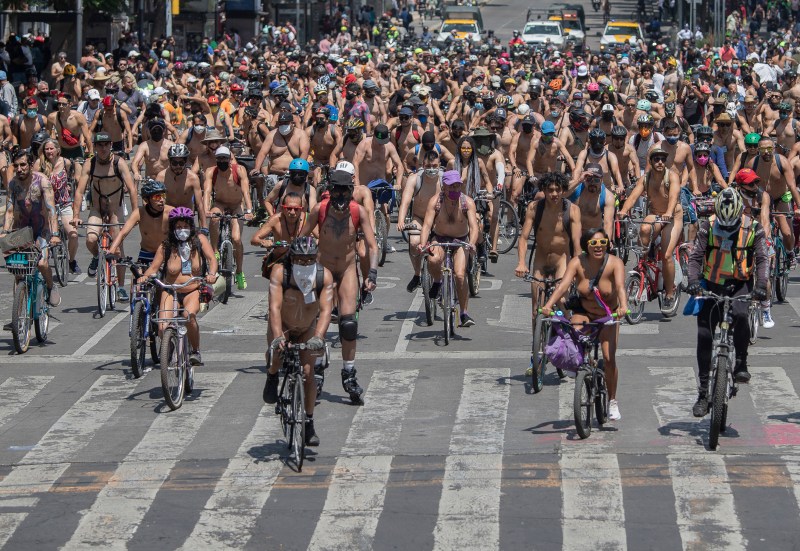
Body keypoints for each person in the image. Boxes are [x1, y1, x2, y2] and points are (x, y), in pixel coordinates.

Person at [686, 188, 769, 417]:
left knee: (742, 316)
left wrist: (761, 286)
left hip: (740, 284)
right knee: (704, 335)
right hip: (711, 284)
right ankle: (703, 393)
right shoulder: (707, 226)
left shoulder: (754, 228)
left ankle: (741, 361)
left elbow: (762, 259)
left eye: (731, 226)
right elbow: (695, 258)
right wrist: (693, 281)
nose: (726, 230)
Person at [299, 167, 379, 405]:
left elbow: (373, 246)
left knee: (348, 324)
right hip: (323, 269)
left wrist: (372, 273)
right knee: (317, 322)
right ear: (330, 191)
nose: (342, 196)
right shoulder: (319, 209)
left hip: (346, 270)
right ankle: (318, 364)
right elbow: (302, 239)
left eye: (345, 191)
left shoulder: (358, 211)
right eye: (337, 191)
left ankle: (349, 371)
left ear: (351, 191)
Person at [540, 227, 629, 420]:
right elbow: (563, 285)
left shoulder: (615, 263)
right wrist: (547, 305)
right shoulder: (577, 263)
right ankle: (583, 368)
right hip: (585, 313)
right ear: (586, 246)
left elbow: (621, 287)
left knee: (608, 357)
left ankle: (612, 401)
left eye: (602, 243)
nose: (598, 247)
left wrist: (623, 306)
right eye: (593, 244)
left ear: (607, 244)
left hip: (607, 317)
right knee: (572, 335)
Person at [263, 237, 334, 447]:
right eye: (300, 260)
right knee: (276, 354)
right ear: (292, 258)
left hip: (307, 327)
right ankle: (273, 375)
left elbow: (326, 310)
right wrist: (277, 337)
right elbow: (274, 308)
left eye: (309, 260)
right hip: (283, 324)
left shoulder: (324, 276)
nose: (304, 264)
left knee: (308, 372)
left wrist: (319, 337)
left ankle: (309, 421)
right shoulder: (280, 272)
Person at [137, 207, 218, 367]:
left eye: (185, 226)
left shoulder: (199, 240)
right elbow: (153, 268)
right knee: (162, 326)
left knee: (189, 316)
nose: (182, 230)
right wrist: (143, 278)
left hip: (192, 290)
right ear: (172, 228)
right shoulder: (166, 246)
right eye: (178, 227)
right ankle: (169, 343)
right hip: (169, 290)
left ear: (191, 226)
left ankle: (195, 351)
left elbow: (212, 259)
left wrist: (212, 274)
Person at [71, 132, 137, 300]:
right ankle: (96, 256)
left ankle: (121, 286)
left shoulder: (119, 163)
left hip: (115, 210)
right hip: (97, 209)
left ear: (110, 146)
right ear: (95, 146)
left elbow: (132, 188)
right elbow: (79, 191)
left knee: (118, 247)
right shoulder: (89, 164)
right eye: (99, 145)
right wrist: (76, 215)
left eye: (106, 144)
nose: (102, 148)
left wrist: (136, 213)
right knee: (91, 239)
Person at [618, 147, 683, 315]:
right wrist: (623, 211)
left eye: (662, 159)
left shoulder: (672, 176)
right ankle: (644, 268)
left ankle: (669, 292)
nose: (660, 162)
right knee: (644, 231)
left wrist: (669, 213)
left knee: (667, 255)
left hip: (672, 216)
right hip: (655, 215)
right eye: (656, 159)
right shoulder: (646, 178)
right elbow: (633, 196)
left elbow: (674, 196)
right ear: (651, 162)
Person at [417, 170, 480, 327]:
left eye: (457, 186)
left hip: (461, 241)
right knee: (433, 260)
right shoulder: (435, 201)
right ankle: (437, 281)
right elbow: (426, 225)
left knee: (459, 275)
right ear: (443, 187)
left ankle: (464, 314)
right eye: (451, 187)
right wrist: (423, 243)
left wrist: (472, 243)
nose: (455, 190)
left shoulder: (467, 202)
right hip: (440, 238)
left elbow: (474, 226)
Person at [0, 149, 61, 307]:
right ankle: (19, 313)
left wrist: (55, 234)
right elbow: (10, 211)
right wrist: (5, 232)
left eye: (23, 165)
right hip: (21, 232)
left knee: (42, 264)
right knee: (19, 270)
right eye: (16, 166)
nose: (19, 169)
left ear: (31, 164)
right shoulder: (13, 184)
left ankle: (50, 286)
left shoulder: (42, 181)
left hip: (42, 230)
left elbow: (51, 209)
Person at [204, 145, 253, 291]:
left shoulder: (239, 170)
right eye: (219, 158)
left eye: (225, 158)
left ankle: (239, 271)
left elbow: (246, 192)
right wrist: (206, 209)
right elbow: (206, 191)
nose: (222, 161)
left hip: (237, 205)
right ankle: (214, 251)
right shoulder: (211, 171)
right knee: (214, 219)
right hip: (219, 203)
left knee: (236, 239)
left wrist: (249, 210)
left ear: (230, 159)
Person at [33, 138, 82, 274]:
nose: (49, 151)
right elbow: (33, 183)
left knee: (73, 235)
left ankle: (71, 261)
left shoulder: (66, 162)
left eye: (51, 148)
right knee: (44, 237)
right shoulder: (39, 164)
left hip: (64, 204)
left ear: (57, 150)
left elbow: (74, 177)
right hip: (46, 207)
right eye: (46, 149)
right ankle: (43, 265)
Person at [397, 149, 442, 292]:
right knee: (414, 242)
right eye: (428, 166)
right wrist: (401, 220)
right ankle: (417, 274)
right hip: (419, 218)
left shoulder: (444, 179)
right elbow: (405, 201)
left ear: (439, 165)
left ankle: (440, 279)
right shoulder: (415, 179)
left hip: (439, 220)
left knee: (439, 251)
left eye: (435, 166)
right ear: (423, 165)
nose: (431, 169)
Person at [109, 178, 171, 266]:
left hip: (166, 254)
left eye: (163, 196)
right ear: (147, 200)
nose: (161, 200)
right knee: (137, 278)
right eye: (157, 197)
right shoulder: (139, 213)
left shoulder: (171, 212)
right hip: (147, 253)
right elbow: (123, 233)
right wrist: (112, 250)